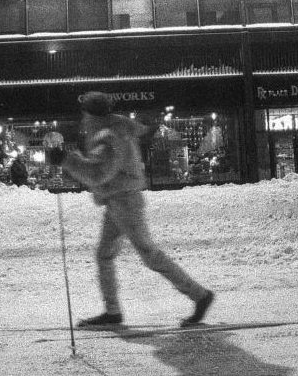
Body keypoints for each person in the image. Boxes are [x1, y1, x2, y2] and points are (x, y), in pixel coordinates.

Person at [47, 91, 214, 328]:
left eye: (84, 113)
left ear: (91, 115)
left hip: (124, 202)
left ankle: (200, 295)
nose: (82, 119)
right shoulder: (111, 131)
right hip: (118, 200)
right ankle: (112, 311)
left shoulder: (109, 137)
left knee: (149, 255)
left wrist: (67, 160)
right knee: (105, 254)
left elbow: (98, 173)